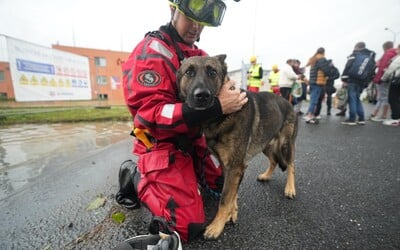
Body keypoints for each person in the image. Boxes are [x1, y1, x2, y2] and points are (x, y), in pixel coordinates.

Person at [116, 0, 247, 249]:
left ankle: (190, 177)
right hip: (162, 144)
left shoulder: (195, 54)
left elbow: (220, 86)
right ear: (172, 10)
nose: (196, 28)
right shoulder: (151, 52)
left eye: (202, 23)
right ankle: (133, 175)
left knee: (223, 184)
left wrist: (231, 94)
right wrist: (217, 107)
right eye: (190, 18)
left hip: (194, 140)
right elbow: (149, 116)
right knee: (188, 225)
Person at [341, 42, 376, 125]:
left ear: (357, 47)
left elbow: (348, 66)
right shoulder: (370, 57)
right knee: (357, 99)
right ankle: (361, 118)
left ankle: (352, 119)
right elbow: (371, 72)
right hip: (362, 81)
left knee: (352, 99)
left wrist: (344, 79)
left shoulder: (355, 54)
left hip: (352, 80)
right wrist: (366, 83)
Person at [370, 41, 397, 122]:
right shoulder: (395, 55)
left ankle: (383, 115)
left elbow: (380, 66)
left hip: (384, 78)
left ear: (384, 48)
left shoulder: (387, 54)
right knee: (383, 97)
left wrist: (378, 79)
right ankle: (376, 113)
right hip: (392, 78)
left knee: (383, 97)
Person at [303, 47, 332, 124]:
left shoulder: (313, 59)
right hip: (318, 82)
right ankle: (310, 116)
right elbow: (327, 71)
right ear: (323, 52)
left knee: (313, 99)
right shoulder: (322, 59)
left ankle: (310, 115)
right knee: (314, 100)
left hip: (312, 81)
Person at [381, 43, 400, 126]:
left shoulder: (398, 58)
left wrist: (383, 78)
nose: (396, 51)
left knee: (393, 98)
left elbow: (391, 68)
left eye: (398, 49)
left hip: (397, 80)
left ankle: (395, 119)